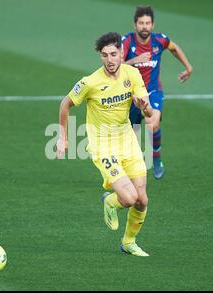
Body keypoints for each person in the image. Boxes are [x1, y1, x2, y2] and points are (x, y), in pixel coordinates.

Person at [56, 32, 153, 257]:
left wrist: (143, 107)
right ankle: (110, 202)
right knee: (128, 199)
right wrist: (63, 137)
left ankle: (128, 242)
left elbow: (147, 111)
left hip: (127, 141)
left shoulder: (133, 74)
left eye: (113, 54)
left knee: (142, 200)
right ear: (100, 56)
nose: (110, 60)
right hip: (103, 146)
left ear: (121, 53)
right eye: (104, 55)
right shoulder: (90, 82)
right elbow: (65, 104)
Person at [122, 5, 193, 179]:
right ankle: (128, 171)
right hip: (131, 94)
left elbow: (174, 48)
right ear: (134, 25)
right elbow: (115, 66)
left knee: (152, 123)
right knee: (130, 134)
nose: (144, 26)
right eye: (141, 23)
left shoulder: (160, 41)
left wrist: (188, 68)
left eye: (147, 23)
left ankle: (156, 159)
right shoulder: (127, 41)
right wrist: (135, 60)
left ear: (153, 25)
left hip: (153, 91)